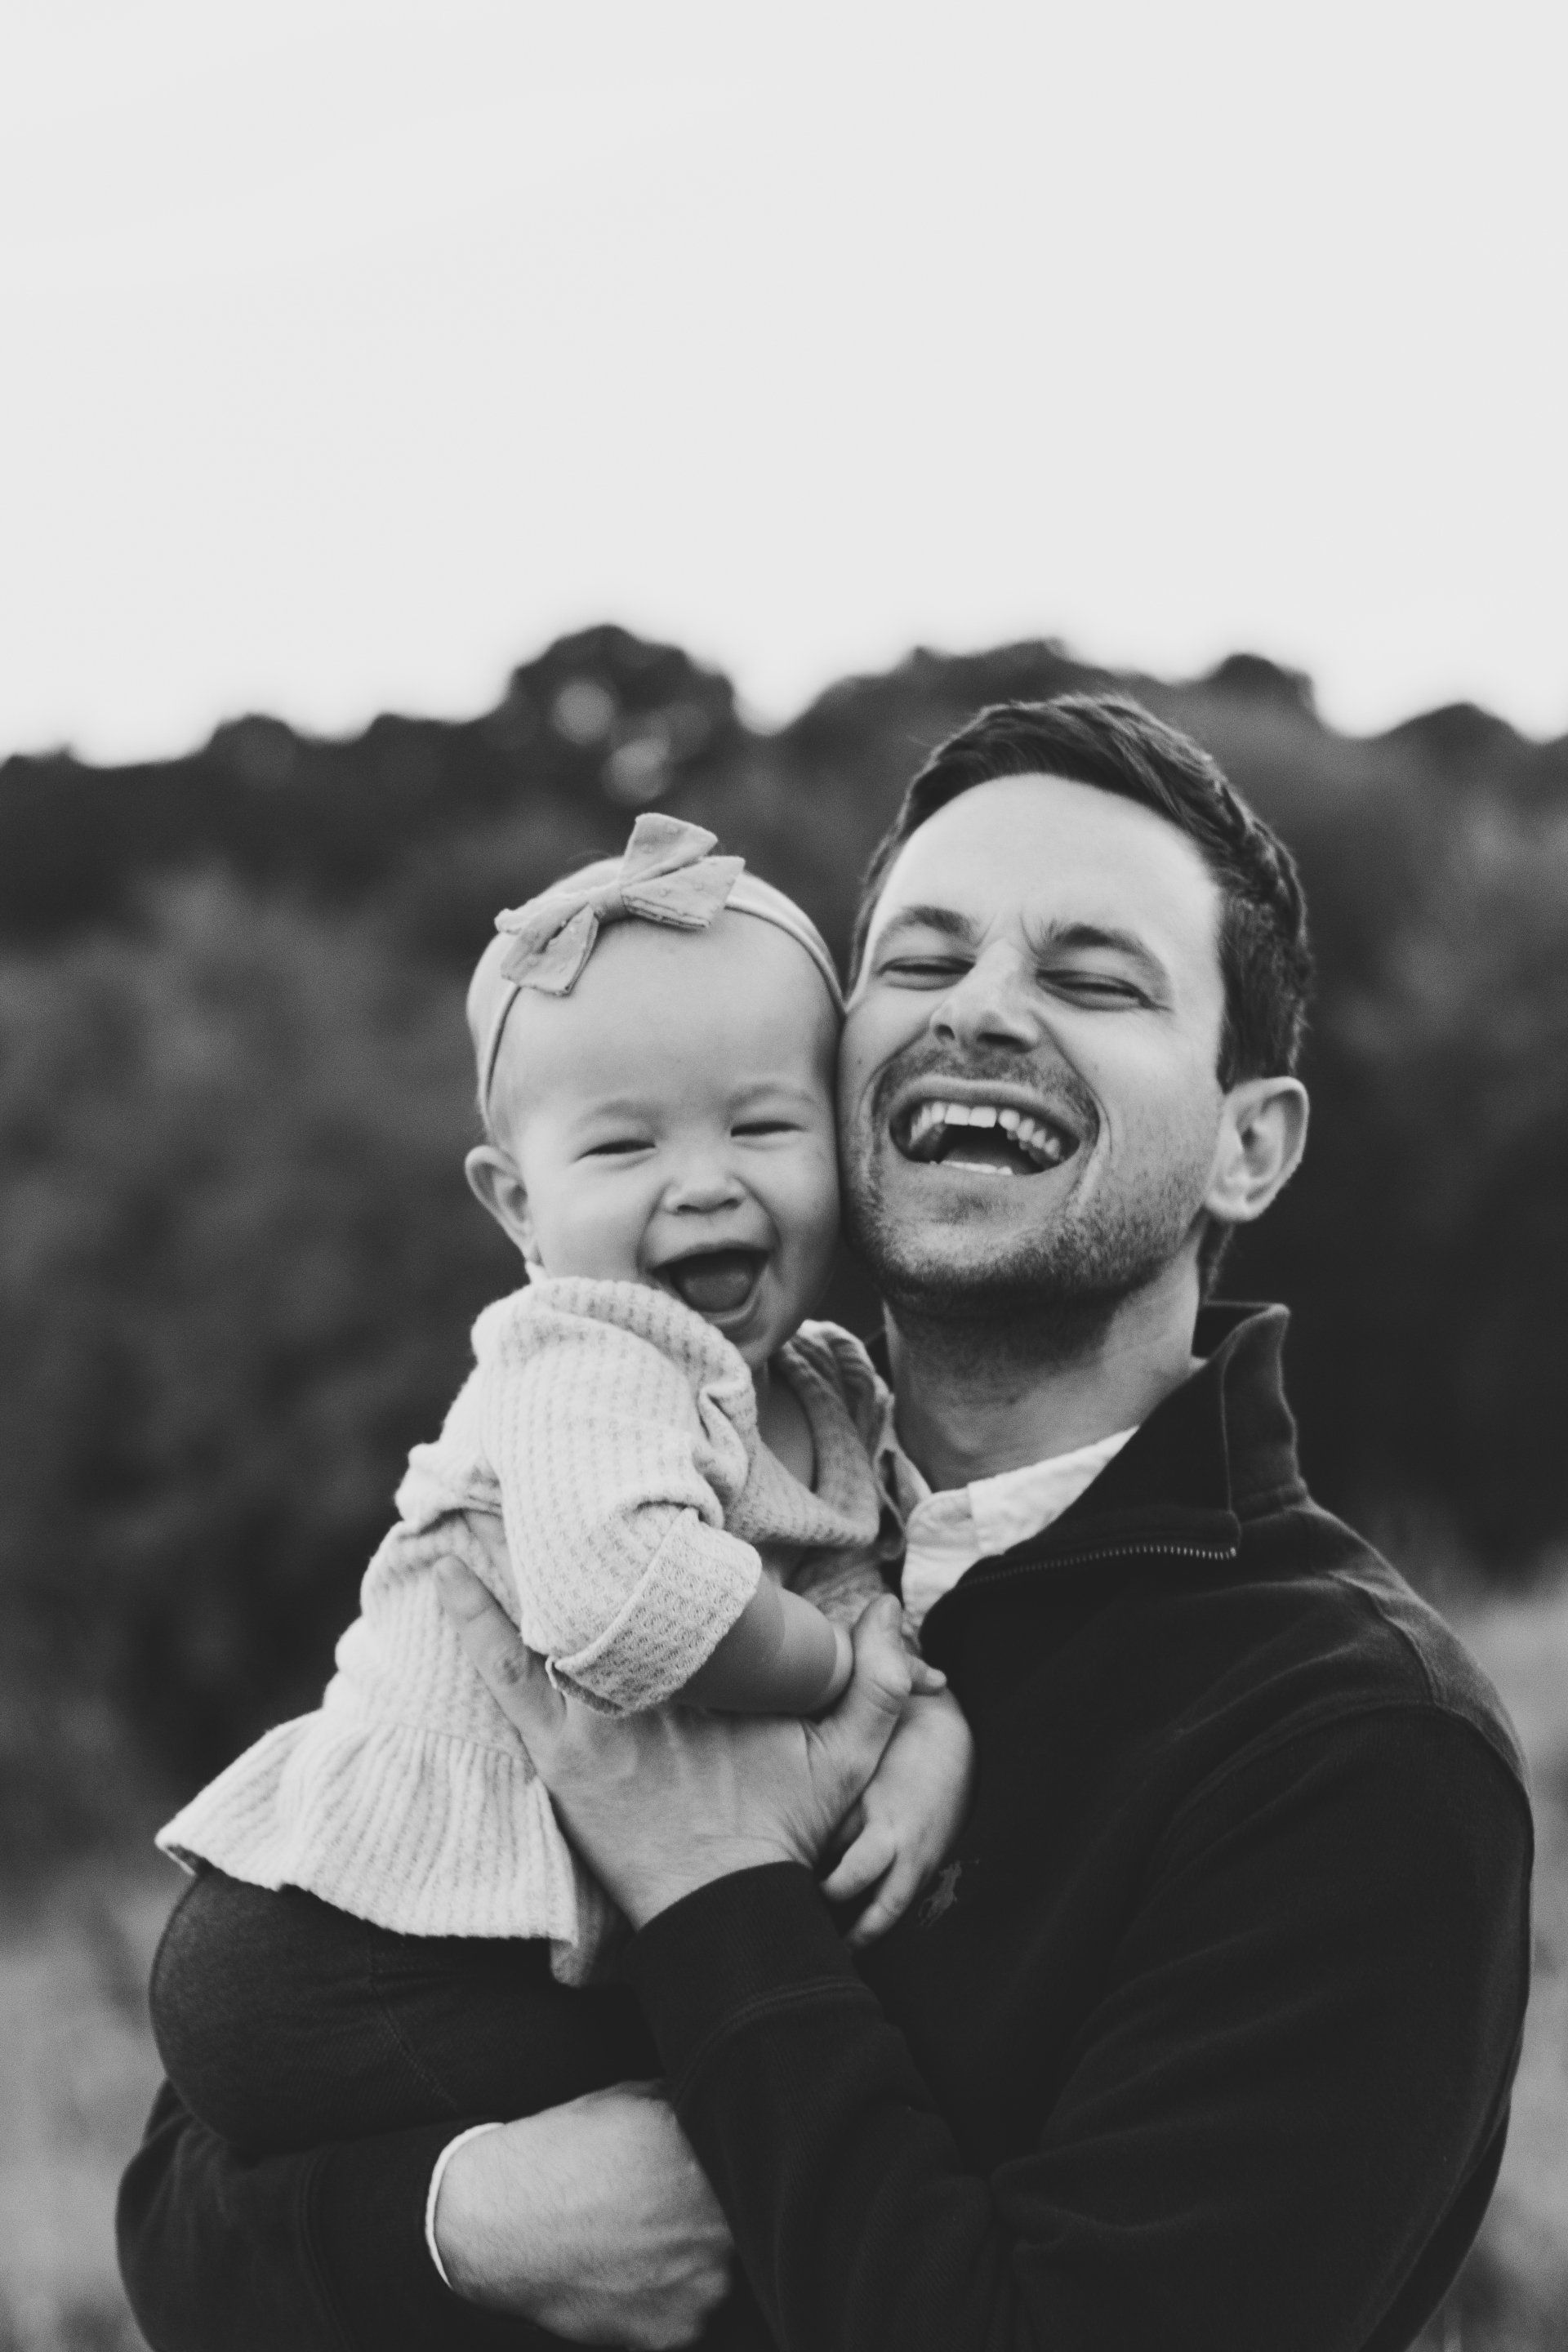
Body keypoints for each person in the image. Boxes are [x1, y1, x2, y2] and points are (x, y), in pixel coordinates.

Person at [119, 693, 1534, 2352]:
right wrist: (465, 2223)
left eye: (1092, 977)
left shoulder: (1355, 1750)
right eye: (922, 963)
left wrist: (715, 1890)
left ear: (1250, 1146)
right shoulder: (647, 1474)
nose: (982, 1012)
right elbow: (186, 2195)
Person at [144, 813, 970, 2172]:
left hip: (502, 1941)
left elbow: (869, 1582)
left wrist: (921, 1719)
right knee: (798, 2090)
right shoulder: (591, 1362)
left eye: (764, 1123)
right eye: (620, 1149)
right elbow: (634, 1603)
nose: (704, 1180)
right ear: (518, 1209)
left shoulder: (825, 1385)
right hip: (337, 1958)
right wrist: (846, 1681)